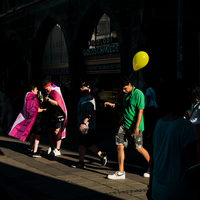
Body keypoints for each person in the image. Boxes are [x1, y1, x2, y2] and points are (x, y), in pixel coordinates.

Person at [147, 79, 200, 200]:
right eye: (187, 93)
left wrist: (150, 187)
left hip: (158, 190)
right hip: (180, 192)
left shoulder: (159, 123)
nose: (191, 96)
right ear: (179, 97)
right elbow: (192, 166)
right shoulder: (186, 126)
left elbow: (154, 160)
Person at [105, 76, 150, 179]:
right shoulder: (126, 95)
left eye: (125, 88)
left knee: (138, 148)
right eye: (122, 89)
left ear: (130, 85)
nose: (124, 91)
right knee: (119, 145)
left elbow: (140, 111)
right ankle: (121, 172)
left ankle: (151, 166)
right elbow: (124, 107)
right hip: (124, 125)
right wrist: (112, 105)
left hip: (135, 126)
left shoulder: (138, 94)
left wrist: (136, 128)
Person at [71, 82, 107, 168]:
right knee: (81, 144)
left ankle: (101, 154)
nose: (81, 89)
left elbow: (89, 113)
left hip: (87, 126)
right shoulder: (82, 98)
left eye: (83, 87)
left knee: (87, 143)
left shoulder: (90, 99)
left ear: (88, 89)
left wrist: (83, 123)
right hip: (80, 125)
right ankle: (81, 162)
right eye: (80, 87)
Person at [42, 80, 67, 156]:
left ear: (49, 86)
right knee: (50, 131)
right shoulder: (48, 92)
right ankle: (51, 147)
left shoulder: (56, 91)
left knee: (57, 131)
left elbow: (57, 103)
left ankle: (57, 149)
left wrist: (48, 99)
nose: (46, 91)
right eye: (45, 90)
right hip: (51, 113)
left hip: (58, 113)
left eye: (47, 89)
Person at [30, 88, 47, 158]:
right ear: (32, 90)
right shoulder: (34, 99)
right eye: (36, 89)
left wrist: (42, 100)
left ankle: (31, 149)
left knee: (33, 133)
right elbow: (37, 109)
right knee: (38, 134)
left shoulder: (30, 98)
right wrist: (45, 109)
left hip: (33, 119)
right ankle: (35, 151)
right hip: (37, 119)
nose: (37, 91)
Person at [187, 83, 200, 162]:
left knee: (196, 146)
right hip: (192, 126)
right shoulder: (192, 103)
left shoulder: (197, 103)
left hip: (197, 126)